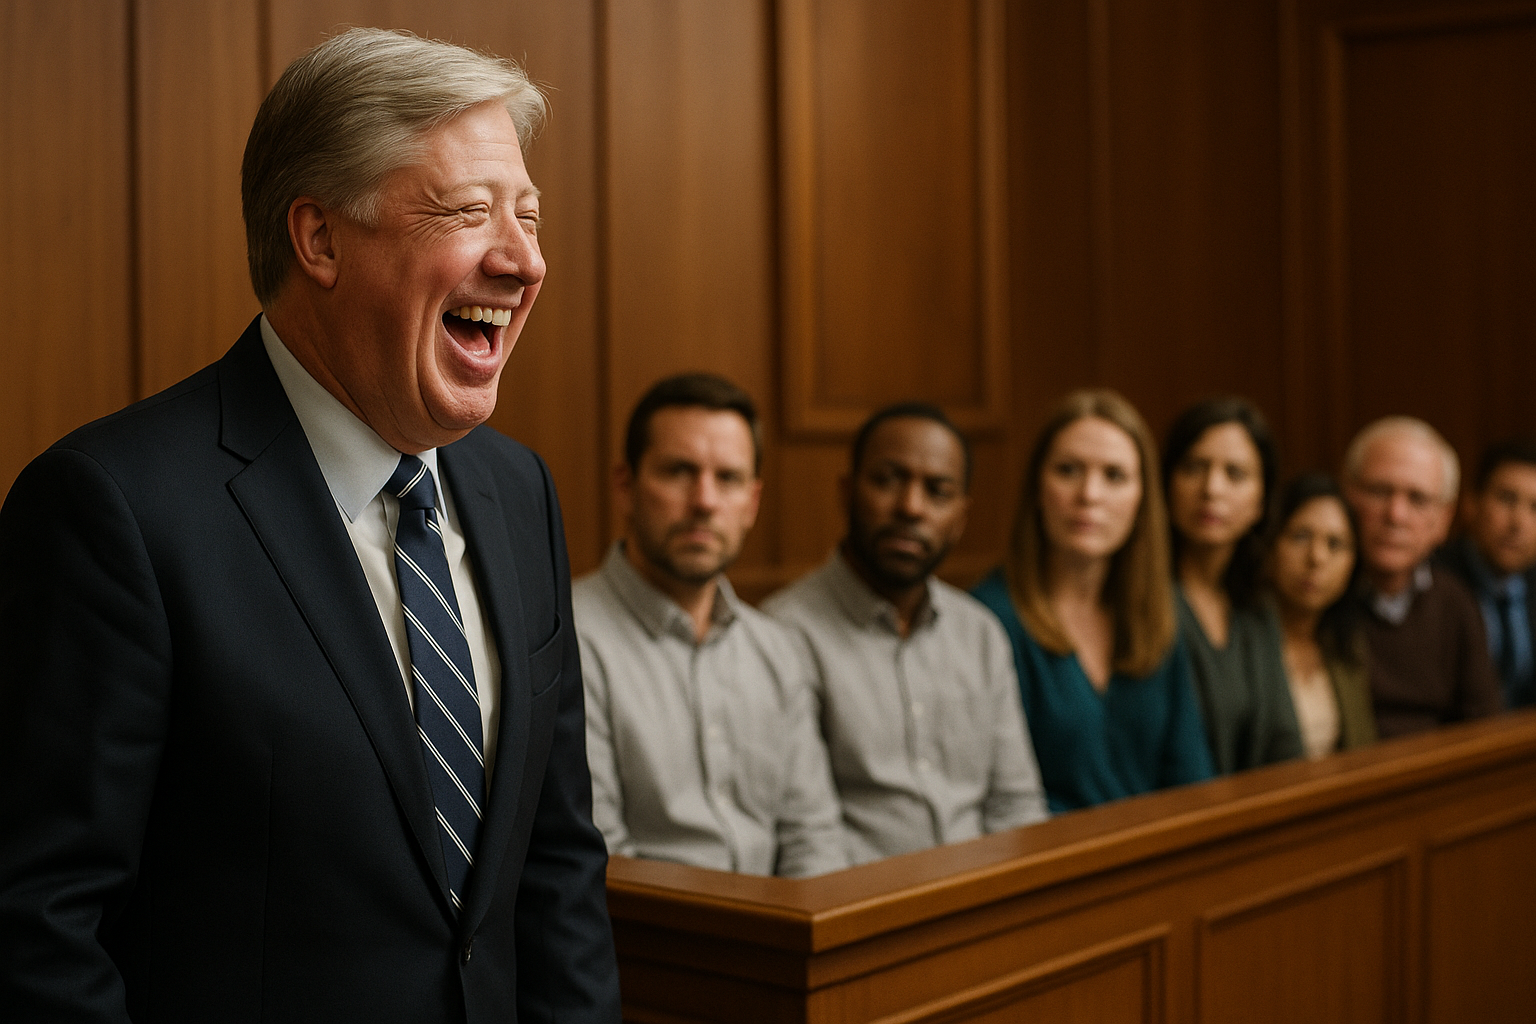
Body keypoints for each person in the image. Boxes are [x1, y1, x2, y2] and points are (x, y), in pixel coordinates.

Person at [0, 29, 620, 1022]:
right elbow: (38, 926)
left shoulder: (520, 492)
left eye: (530, 217)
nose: (523, 260)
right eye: (470, 212)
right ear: (320, 239)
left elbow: (555, 868)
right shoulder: (110, 509)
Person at [575, 374, 846, 877]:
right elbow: (600, 859)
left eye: (728, 478)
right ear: (626, 487)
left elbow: (814, 837)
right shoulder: (569, 639)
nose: (704, 500)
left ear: (752, 502)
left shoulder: (777, 649)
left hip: (783, 942)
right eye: (679, 471)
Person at [765, 403, 1048, 865]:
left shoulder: (979, 633)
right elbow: (807, 840)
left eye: (938, 492)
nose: (911, 507)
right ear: (846, 492)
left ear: (960, 516)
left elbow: (1015, 806)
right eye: (887, 480)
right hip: (864, 917)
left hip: (982, 907)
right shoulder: (785, 636)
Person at [973, 389, 1214, 812]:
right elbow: (992, 802)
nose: (1090, 494)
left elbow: (1191, 781)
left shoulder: (1160, 611)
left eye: (1115, 476)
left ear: (1142, 500)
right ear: (1037, 487)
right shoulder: (988, 618)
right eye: (1068, 470)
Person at [1163, 398, 1303, 773]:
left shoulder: (1257, 605)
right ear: (1167, 481)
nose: (1211, 489)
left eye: (1235, 474)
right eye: (1194, 467)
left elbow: (1285, 743)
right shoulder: (1143, 597)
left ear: (1260, 501)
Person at [1342, 416, 1502, 738]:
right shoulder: (1314, 598)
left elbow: (1484, 731)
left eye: (1417, 499)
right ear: (1346, 496)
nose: (1395, 515)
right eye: (1379, 491)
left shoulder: (1455, 602)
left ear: (1443, 520)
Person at [1267, 474, 1378, 758]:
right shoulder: (1243, 639)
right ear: (1271, 542)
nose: (1317, 558)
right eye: (1300, 536)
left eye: (1335, 544)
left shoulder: (1345, 644)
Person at [1437, 438, 1536, 709]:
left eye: (1535, 508)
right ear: (1471, 503)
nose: (1519, 523)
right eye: (1507, 499)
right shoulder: (1434, 579)